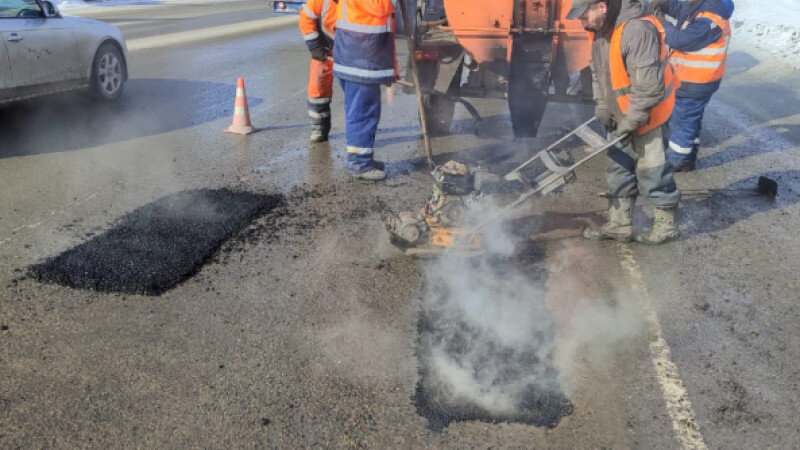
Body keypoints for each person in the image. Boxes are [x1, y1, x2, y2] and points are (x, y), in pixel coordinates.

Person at [568, 0, 682, 244]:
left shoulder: (637, 29)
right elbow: (598, 74)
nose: (581, 21)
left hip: (649, 113)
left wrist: (633, 119)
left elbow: (649, 87)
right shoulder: (600, 30)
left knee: (652, 169)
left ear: (602, 6)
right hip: (620, 113)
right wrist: (602, 104)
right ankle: (619, 224)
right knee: (619, 168)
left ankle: (666, 226)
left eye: (584, 15)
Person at [652, 0, 735, 171]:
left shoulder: (709, 21)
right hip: (695, 81)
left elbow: (679, 40)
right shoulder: (704, 8)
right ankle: (688, 157)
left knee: (682, 122)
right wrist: (666, 4)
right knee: (691, 120)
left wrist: (661, 22)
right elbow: (682, 9)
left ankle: (676, 161)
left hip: (695, 82)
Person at [333, 0, 398, 181]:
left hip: (357, 57)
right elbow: (380, 7)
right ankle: (359, 164)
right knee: (362, 114)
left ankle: (363, 159)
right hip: (361, 61)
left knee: (363, 112)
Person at [299, 0, 339, 143]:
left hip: (352, 52)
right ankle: (319, 129)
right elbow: (306, 17)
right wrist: (315, 46)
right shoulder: (321, 1)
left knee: (357, 92)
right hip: (325, 51)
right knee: (318, 90)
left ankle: (359, 133)